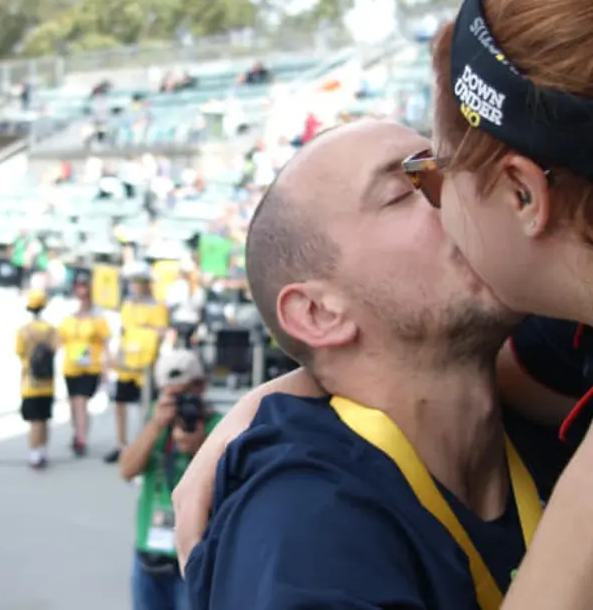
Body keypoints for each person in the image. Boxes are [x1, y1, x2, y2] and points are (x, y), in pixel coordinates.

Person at [177, 120, 560, 610]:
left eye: (449, 167)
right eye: (407, 189)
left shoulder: (552, 409)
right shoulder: (302, 527)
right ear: (319, 313)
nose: (468, 187)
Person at [119, 350, 221, 610]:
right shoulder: (155, 419)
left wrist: (199, 448)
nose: (180, 402)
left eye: (186, 392)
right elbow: (127, 470)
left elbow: (228, 488)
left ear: (202, 386)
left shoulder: (220, 426)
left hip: (195, 560)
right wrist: (156, 425)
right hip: (149, 553)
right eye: (172, 394)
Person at [104, 262, 169, 464]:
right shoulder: (128, 305)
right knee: (120, 403)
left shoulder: (158, 306)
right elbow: (123, 331)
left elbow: (161, 332)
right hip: (127, 363)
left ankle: (146, 445)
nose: (136, 286)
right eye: (133, 282)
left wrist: (144, 331)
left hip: (147, 364)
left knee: (148, 405)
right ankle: (122, 444)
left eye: (139, 282)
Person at [58, 271, 111, 456]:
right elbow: (60, 339)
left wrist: (106, 367)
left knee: (81, 401)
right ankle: (76, 432)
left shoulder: (97, 318)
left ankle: (81, 438)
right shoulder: (69, 317)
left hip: (90, 366)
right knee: (73, 403)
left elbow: (105, 343)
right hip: (71, 365)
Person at [15, 289, 59, 469]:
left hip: (29, 381)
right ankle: (43, 450)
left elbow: (18, 352)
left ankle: (34, 453)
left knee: (34, 420)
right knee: (45, 418)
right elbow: (56, 349)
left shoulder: (24, 331)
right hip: (48, 382)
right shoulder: (50, 330)